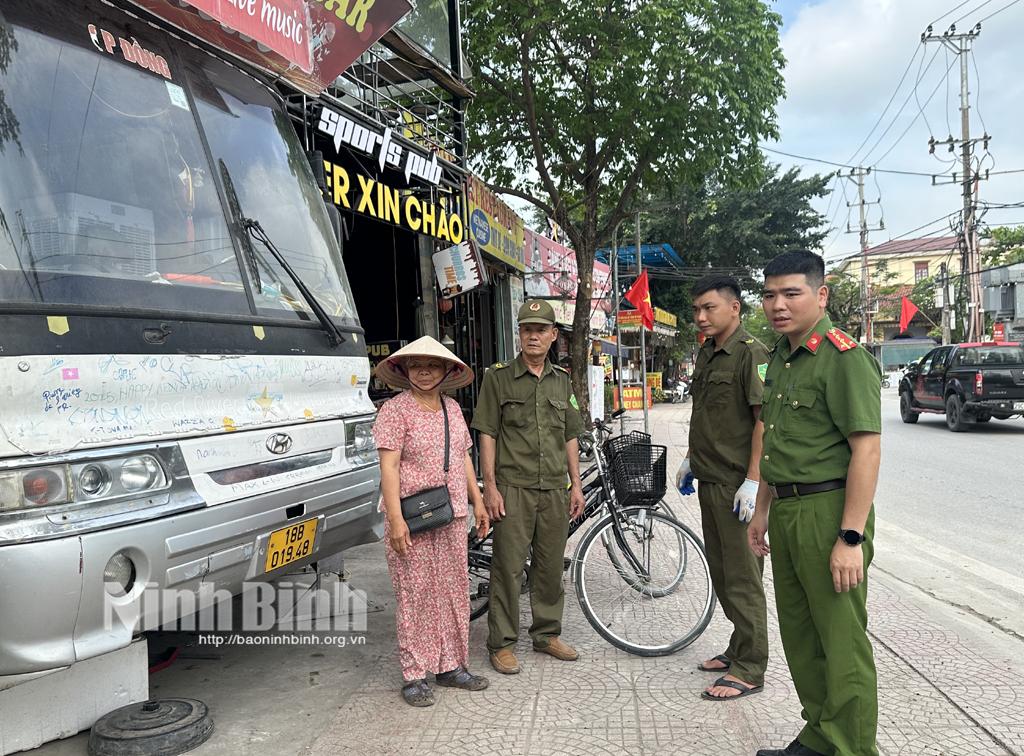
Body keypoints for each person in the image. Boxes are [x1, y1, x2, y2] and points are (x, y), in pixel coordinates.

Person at [748, 250, 882, 756]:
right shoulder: (781, 356)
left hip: (829, 513)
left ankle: (851, 747)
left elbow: (866, 449)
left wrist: (851, 537)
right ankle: (822, 736)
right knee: (802, 637)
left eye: (790, 293)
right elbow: (777, 442)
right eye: (769, 295)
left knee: (842, 642)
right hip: (786, 509)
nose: (777, 305)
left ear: (821, 295)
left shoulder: (843, 357)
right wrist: (761, 510)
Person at [372, 336, 491, 707]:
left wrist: (478, 501)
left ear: (446, 371)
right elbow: (388, 468)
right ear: (404, 370)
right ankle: (414, 673)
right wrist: (395, 520)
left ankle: (451, 665)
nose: (424, 371)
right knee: (415, 593)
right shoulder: (395, 410)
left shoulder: (452, 409)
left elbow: (463, 459)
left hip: (452, 513)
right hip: (410, 514)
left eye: (433, 364)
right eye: (416, 364)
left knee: (454, 589)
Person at [471, 299, 585, 675]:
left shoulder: (562, 380)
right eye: (526, 329)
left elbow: (570, 434)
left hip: (554, 488)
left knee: (551, 566)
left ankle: (546, 634)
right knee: (508, 568)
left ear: (554, 336)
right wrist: (490, 486)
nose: (533, 335)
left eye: (541, 330)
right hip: (513, 487)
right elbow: (486, 432)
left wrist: (576, 484)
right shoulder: (498, 377)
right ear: (518, 333)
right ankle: (501, 643)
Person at [674, 274, 770, 702]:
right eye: (696, 309)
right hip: (711, 479)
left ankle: (751, 666)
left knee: (743, 578)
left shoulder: (752, 354)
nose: (700, 316)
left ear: (735, 307)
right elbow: (710, 415)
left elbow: (763, 422)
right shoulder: (707, 353)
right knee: (721, 572)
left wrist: (753, 481)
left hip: (737, 486)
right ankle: (738, 646)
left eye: (709, 307)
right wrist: (692, 459)